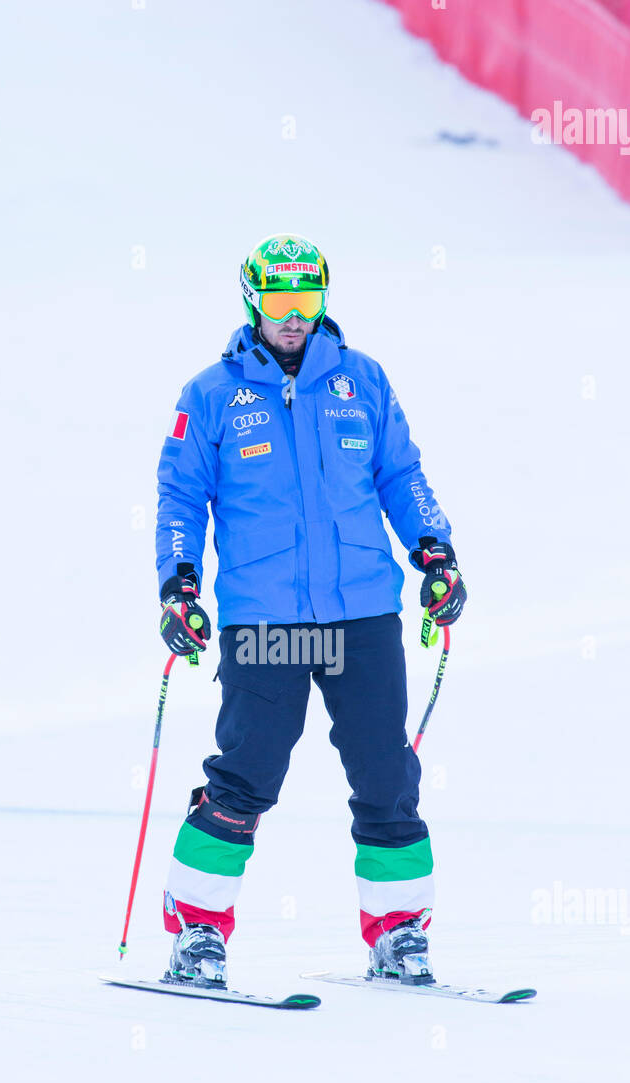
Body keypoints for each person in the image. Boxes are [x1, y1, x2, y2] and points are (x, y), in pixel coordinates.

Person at [155, 235, 466, 988]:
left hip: (362, 615)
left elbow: (401, 473)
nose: (293, 318)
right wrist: (179, 584)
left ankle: (398, 936)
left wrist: (435, 551)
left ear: (324, 298)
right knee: (247, 775)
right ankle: (197, 933)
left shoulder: (363, 382)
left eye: (307, 301)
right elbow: (180, 496)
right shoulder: (210, 394)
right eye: (278, 302)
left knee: (387, 775)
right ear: (252, 300)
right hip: (263, 621)